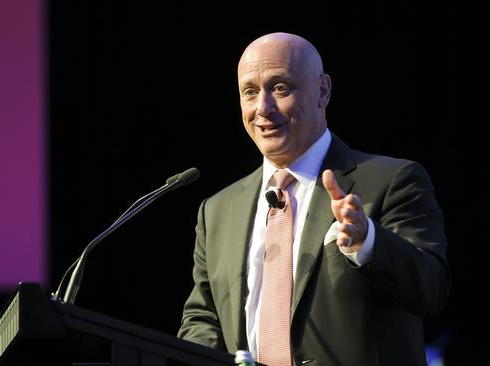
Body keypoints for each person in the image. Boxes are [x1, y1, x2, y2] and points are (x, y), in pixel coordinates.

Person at [178, 32, 449, 366]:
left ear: (323, 91)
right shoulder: (217, 211)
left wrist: (368, 242)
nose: (263, 108)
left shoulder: (392, 180)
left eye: (281, 88)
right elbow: (203, 319)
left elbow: (432, 289)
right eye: (250, 92)